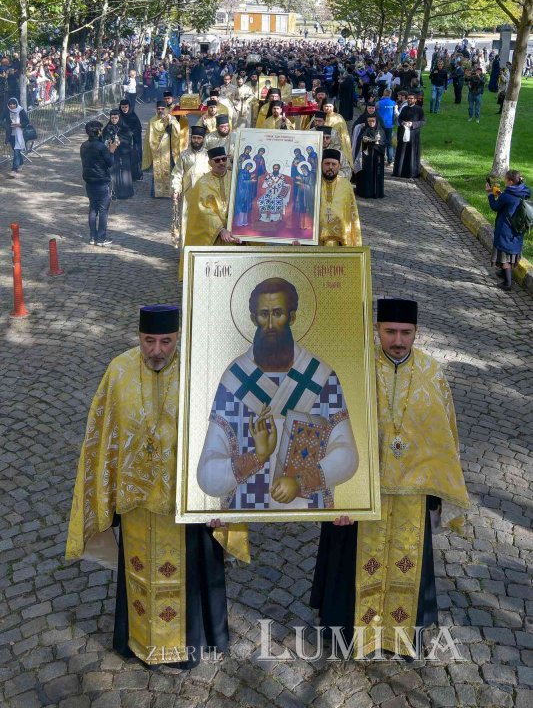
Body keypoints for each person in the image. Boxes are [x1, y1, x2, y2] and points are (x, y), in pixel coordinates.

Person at [65, 305, 249, 669]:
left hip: (187, 505)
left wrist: (224, 503)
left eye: (166, 341)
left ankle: (188, 645)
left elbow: (230, 439)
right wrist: (105, 494)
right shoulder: (118, 372)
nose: (157, 350)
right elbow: (101, 438)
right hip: (136, 506)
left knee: (188, 575)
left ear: (178, 337)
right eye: (149, 340)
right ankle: (137, 640)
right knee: (139, 572)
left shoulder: (201, 373)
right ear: (138, 336)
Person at [311, 298, 470, 658]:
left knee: (406, 559)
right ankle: (350, 633)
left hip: (410, 497)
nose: (398, 340)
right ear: (377, 330)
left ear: (416, 332)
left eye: (406, 333)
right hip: (360, 493)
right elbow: (327, 433)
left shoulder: (433, 374)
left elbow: (446, 436)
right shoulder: (355, 370)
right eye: (390, 331)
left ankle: (399, 633)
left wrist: (437, 491)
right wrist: (336, 494)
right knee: (350, 561)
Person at [197, 277, 358, 510]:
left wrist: (299, 482)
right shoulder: (234, 380)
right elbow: (207, 475)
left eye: (278, 313)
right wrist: (257, 458)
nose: (270, 324)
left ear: (292, 317)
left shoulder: (322, 378)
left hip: (310, 514)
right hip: (245, 510)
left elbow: (347, 455)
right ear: (253, 319)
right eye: (264, 314)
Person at [183, 146, 241, 248]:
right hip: (214, 236)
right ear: (210, 163)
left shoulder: (236, 178)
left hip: (236, 232)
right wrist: (221, 230)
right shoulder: (202, 183)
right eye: (217, 160)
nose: (221, 163)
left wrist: (241, 230)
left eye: (224, 159)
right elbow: (202, 211)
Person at [486, 169, 531, 291]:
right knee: (512, 250)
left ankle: (507, 283)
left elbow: (495, 207)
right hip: (518, 227)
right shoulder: (525, 191)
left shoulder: (507, 195)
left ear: (510, 182)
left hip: (506, 228)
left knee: (504, 253)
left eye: (505, 180)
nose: (504, 181)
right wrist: (500, 195)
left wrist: (490, 194)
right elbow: (512, 203)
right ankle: (503, 272)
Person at [79, 120, 116, 246]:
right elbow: (110, 163)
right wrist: (111, 150)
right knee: (103, 210)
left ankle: (92, 237)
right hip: (102, 181)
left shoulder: (83, 145)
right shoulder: (101, 147)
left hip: (89, 181)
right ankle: (101, 238)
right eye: (100, 130)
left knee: (93, 209)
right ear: (98, 131)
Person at [171, 126, 210, 246]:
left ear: (203, 139)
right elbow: (177, 174)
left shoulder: (208, 156)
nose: (196, 141)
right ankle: (185, 252)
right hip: (187, 195)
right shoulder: (184, 155)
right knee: (186, 221)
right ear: (191, 138)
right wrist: (175, 189)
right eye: (194, 138)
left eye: (199, 138)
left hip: (204, 195)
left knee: (202, 222)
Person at [320, 149, 362, 246]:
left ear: (339, 166)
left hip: (340, 239)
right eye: (327, 163)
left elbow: (352, 214)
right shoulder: (314, 183)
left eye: (334, 164)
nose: (330, 167)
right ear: (321, 164)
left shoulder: (346, 185)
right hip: (316, 239)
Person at [141, 101, 181, 198]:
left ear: (165, 109)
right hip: (156, 150)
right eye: (158, 109)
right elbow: (149, 138)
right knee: (157, 172)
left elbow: (177, 132)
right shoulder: (152, 121)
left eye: (162, 109)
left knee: (170, 171)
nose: (160, 111)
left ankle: (169, 193)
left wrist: (170, 126)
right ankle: (156, 193)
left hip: (168, 151)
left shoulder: (172, 119)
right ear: (156, 109)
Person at [102, 109, 134, 200]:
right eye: (112, 118)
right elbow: (103, 139)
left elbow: (129, 140)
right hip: (113, 154)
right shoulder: (107, 128)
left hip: (124, 154)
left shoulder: (125, 128)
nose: (114, 120)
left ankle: (126, 192)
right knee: (113, 173)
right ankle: (114, 192)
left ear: (119, 118)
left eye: (116, 118)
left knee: (124, 173)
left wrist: (121, 142)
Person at [392, 92, 425, 179]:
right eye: (409, 98)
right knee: (402, 152)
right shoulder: (404, 108)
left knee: (411, 152)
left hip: (413, 134)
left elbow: (423, 121)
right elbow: (399, 118)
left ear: (415, 100)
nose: (410, 100)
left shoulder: (419, 109)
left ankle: (411, 172)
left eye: (411, 98)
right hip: (403, 133)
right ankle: (399, 171)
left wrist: (413, 124)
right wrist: (402, 122)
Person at [355, 116, 385, 199]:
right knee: (366, 173)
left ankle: (376, 192)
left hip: (377, 156)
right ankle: (365, 191)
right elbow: (360, 141)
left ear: (376, 121)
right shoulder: (364, 130)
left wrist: (374, 143)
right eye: (369, 121)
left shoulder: (380, 131)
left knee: (376, 173)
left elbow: (382, 143)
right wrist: (366, 141)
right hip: (366, 156)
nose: (371, 123)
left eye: (373, 121)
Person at [2, 97, 29, 174]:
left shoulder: (21, 110)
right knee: (15, 150)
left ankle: (14, 169)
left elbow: (27, 121)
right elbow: (1, 119)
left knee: (17, 151)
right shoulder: (7, 111)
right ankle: (21, 163)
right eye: (10, 104)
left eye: (14, 104)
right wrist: (7, 126)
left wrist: (20, 125)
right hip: (11, 134)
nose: (12, 105)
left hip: (19, 134)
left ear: (16, 104)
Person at [119, 99, 143, 181]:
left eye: (126, 107)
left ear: (129, 107)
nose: (124, 109)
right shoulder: (118, 116)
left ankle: (135, 176)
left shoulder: (133, 116)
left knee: (134, 159)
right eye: (123, 107)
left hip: (133, 142)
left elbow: (138, 128)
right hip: (122, 142)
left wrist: (132, 134)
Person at [376, 89, 396, 166]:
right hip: (389, 125)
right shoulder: (393, 103)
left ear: (384, 93)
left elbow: (375, 112)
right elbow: (395, 114)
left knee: (380, 141)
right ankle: (390, 160)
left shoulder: (379, 103)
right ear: (390, 94)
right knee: (389, 142)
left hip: (381, 125)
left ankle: (381, 158)